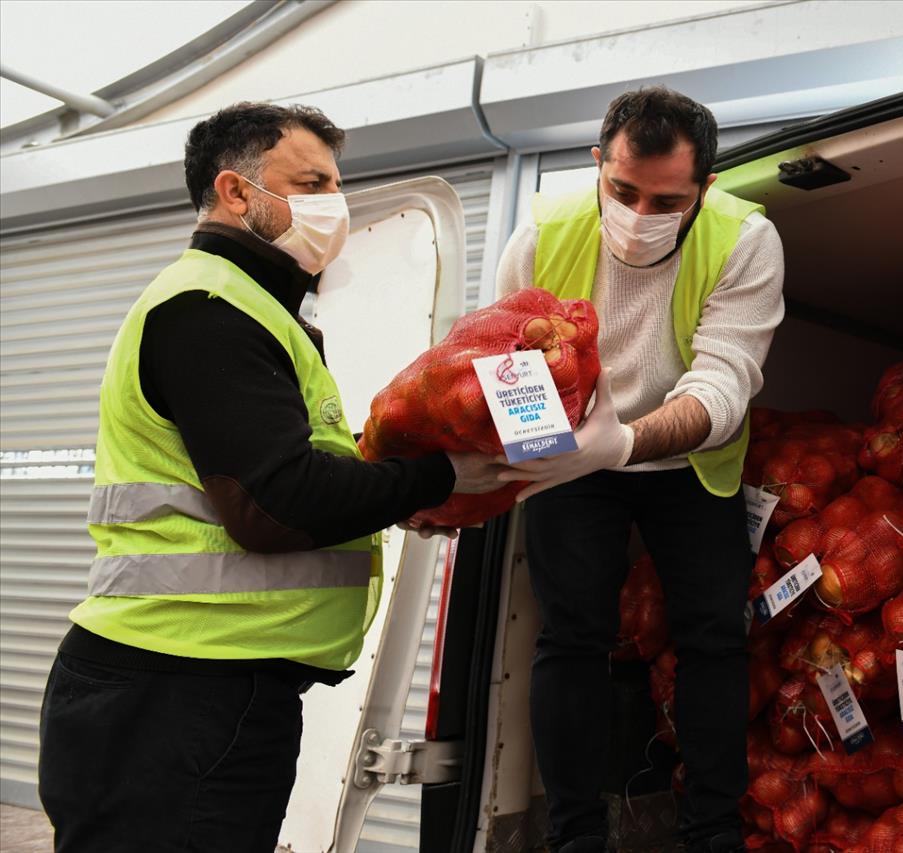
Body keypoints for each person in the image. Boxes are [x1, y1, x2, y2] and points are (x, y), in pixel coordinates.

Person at [37, 101, 505, 853]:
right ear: (236, 192)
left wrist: (402, 487)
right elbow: (275, 503)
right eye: (312, 184)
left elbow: (295, 476)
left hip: (206, 689)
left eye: (337, 187)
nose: (335, 207)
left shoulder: (262, 313)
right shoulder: (209, 309)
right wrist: (439, 474)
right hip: (176, 696)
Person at [494, 86, 786, 853]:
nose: (638, 213)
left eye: (666, 200)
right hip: (568, 459)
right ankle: (576, 836)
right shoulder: (544, 230)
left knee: (713, 639)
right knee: (572, 638)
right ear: (598, 163)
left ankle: (711, 833)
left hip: (690, 460)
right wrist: (511, 457)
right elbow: (502, 360)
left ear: (706, 190)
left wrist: (622, 442)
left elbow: (723, 382)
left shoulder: (745, 239)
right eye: (622, 190)